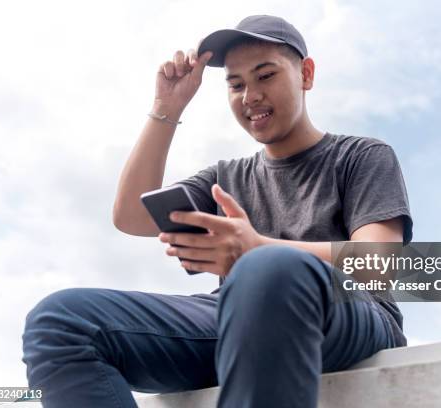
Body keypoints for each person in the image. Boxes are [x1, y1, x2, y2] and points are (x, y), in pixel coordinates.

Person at [22, 15, 413, 408]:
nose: (250, 96)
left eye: (265, 76)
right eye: (236, 84)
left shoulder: (361, 156)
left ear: (306, 74)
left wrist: (256, 248)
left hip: (349, 309)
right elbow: (129, 215)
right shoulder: (225, 177)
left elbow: (378, 263)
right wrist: (166, 107)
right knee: (61, 322)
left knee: (268, 269)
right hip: (236, 319)